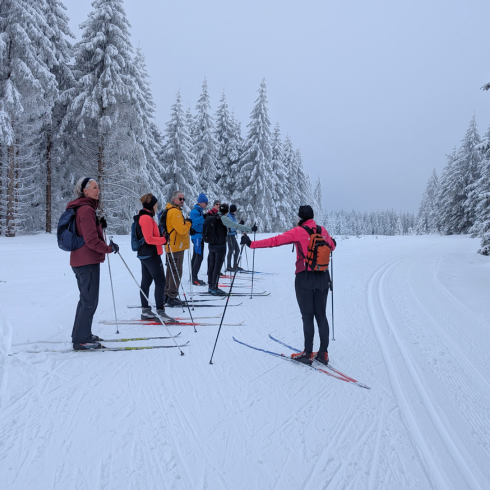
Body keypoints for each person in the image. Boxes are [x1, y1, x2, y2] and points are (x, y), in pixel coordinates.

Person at [241, 205, 336, 365]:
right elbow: (332, 246)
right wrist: (331, 242)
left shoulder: (298, 231)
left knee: (307, 316)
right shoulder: (322, 230)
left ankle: (307, 354)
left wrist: (251, 244)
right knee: (321, 315)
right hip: (323, 277)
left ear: (301, 217)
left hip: (305, 277)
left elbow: (275, 241)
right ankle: (323, 353)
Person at [67, 177, 118, 350]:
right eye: (95, 187)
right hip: (86, 261)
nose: (98, 190)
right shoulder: (86, 209)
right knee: (89, 301)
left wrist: (99, 225)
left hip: (82, 260)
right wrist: (108, 249)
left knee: (86, 300)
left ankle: (81, 334)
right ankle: (81, 339)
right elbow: (91, 240)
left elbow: (85, 232)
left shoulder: (82, 208)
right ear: (85, 191)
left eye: (98, 187)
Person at [133, 194, 175, 323]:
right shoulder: (146, 218)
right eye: (156, 204)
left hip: (146, 254)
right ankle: (160, 312)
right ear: (152, 205)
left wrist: (161, 235)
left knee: (146, 282)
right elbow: (149, 239)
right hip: (150, 254)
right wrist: (163, 240)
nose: (157, 206)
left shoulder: (145, 216)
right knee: (160, 282)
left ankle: (146, 310)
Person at [207, 203, 255, 295]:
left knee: (212, 266)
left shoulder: (213, 217)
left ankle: (210, 286)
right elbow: (236, 226)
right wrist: (250, 229)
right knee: (217, 267)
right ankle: (214, 288)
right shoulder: (223, 218)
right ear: (226, 211)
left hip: (211, 244)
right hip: (220, 245)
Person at [163, 190, 192, 306]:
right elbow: (182, 229)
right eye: (180, 199)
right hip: (176, 246)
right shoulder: (175, 212)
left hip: (172, 245)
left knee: (170, 271)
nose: (182, 201)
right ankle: (172, 296)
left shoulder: (171, 210)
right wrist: (188, 223)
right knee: (176, 272)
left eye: (183, 199)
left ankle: (167, 294)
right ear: (174, 199)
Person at [189, 193, 208, 286]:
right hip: (197, 236)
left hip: (200, 236)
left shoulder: (199, 211)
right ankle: (194, 278)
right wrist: (203, 217)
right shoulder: (195, 211)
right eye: (206, 203)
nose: (206, 205)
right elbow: (193, 222)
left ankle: (193, 276)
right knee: (199, 257)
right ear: (201, 202)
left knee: (196, 256)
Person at [226, 204, 244, 272]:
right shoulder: (229, 217)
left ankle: (234, 265)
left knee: (237, 250)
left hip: (233, 235)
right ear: (234, 211)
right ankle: (229, 266)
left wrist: (239, 224)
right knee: (231, 250)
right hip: (230, 235)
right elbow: (231, 227)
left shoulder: (233, 217)